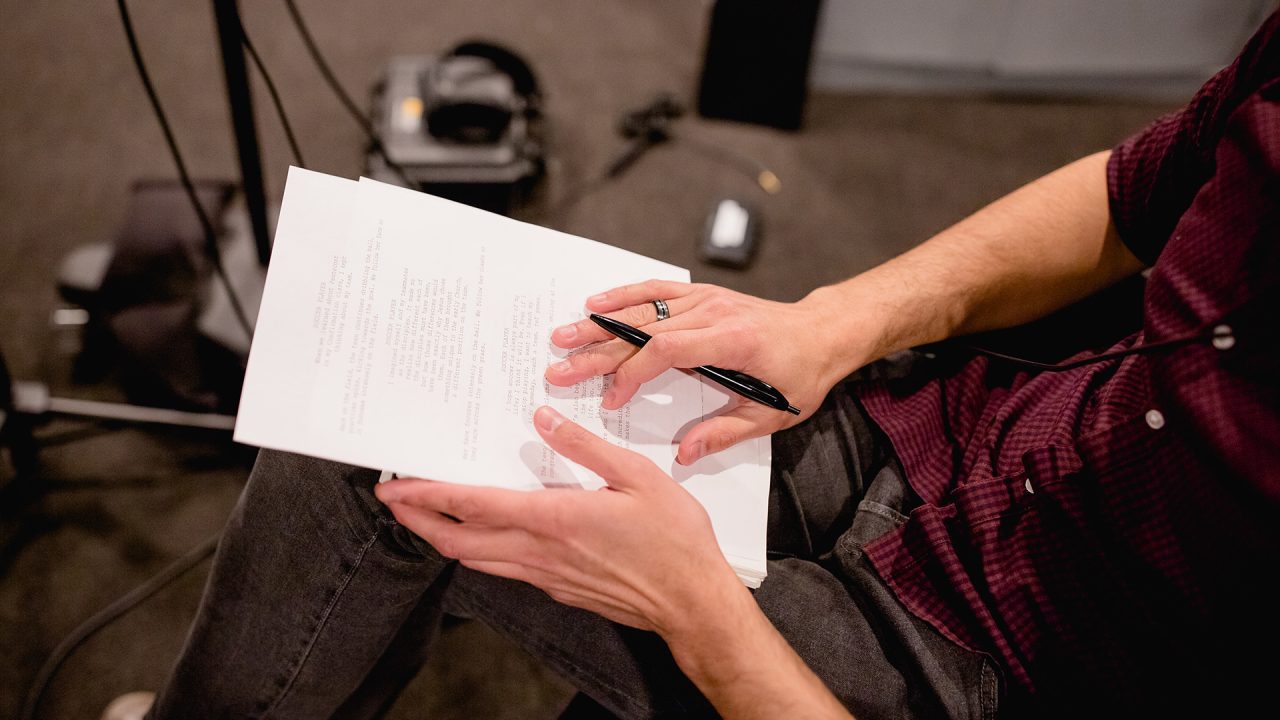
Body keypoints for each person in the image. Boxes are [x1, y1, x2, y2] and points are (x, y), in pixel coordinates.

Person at [120, 11, 1277, 720]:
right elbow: (1132, 191)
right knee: (388, 414)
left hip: (982, 671)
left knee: (383, 484)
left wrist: (700, 619)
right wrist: (835, 320)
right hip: (953, 431)